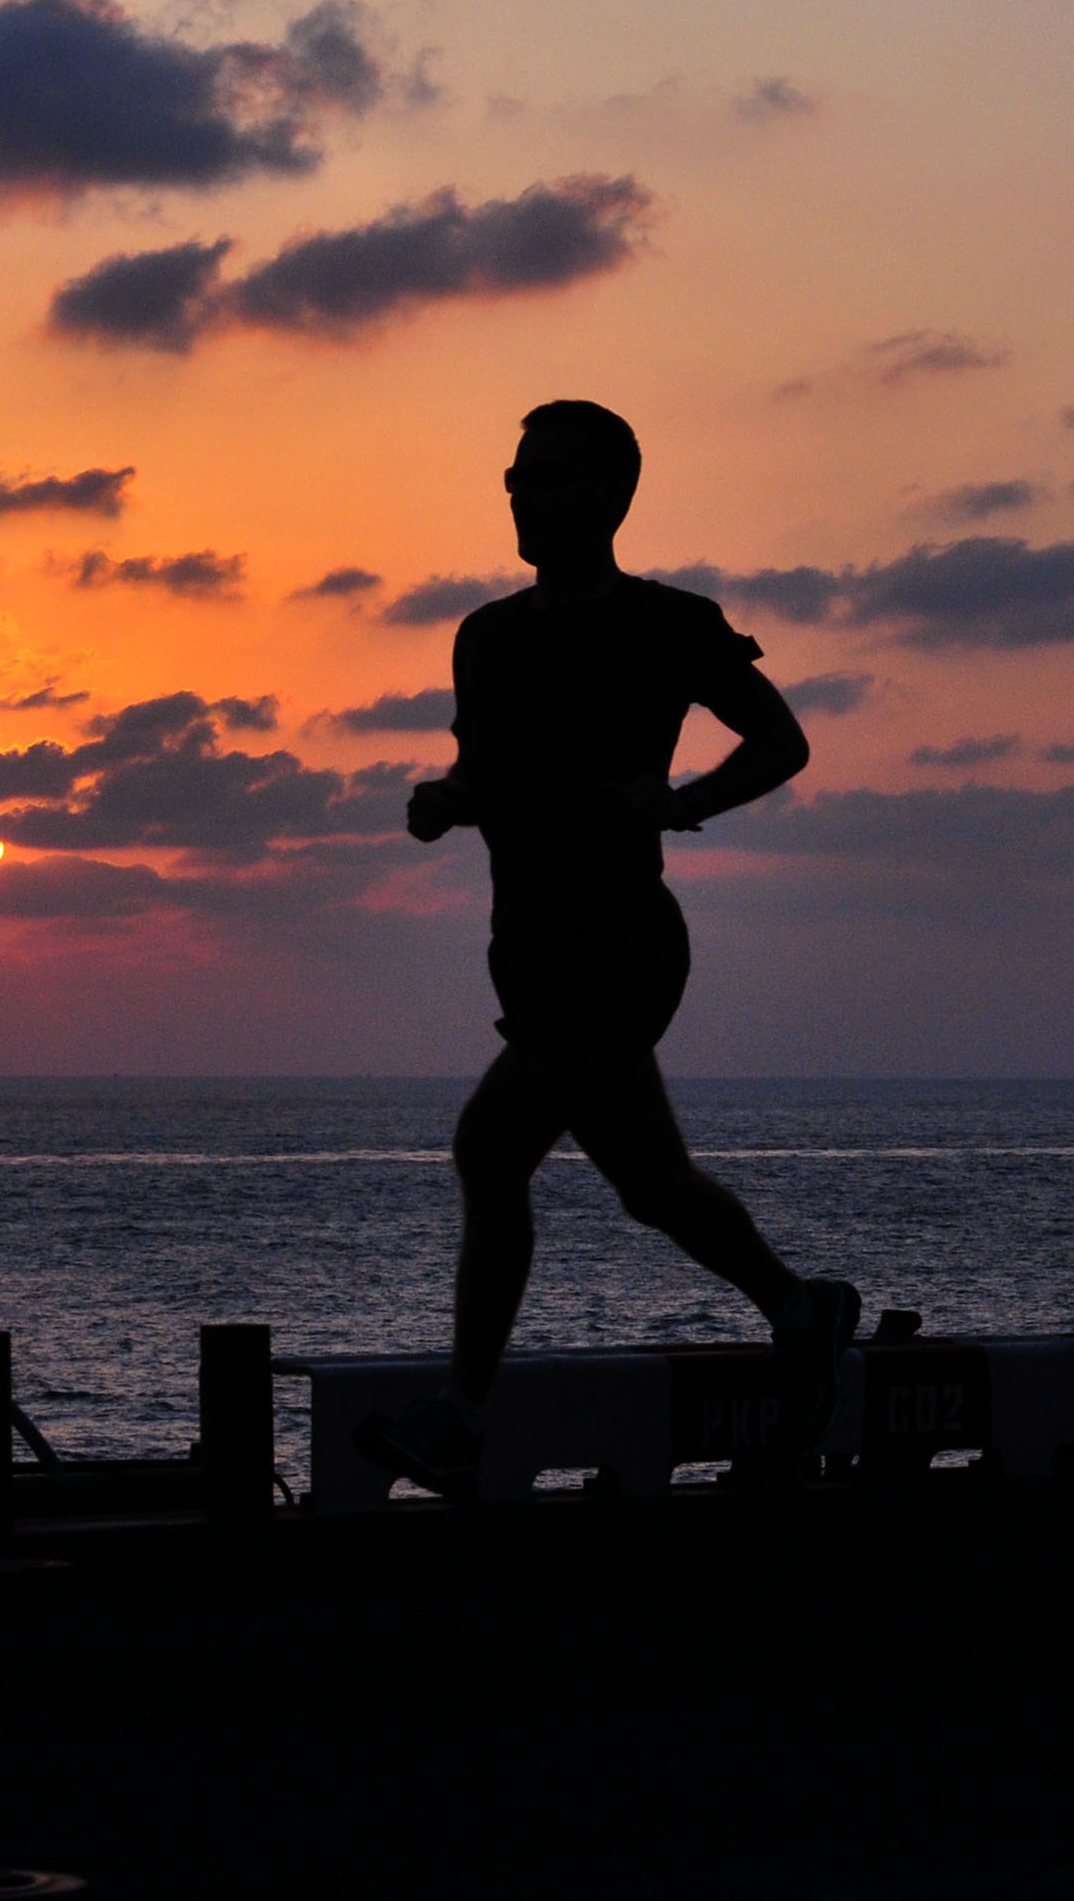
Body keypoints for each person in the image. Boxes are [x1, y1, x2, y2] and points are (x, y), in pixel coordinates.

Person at [355, 399, 858, 1500]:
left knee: (490, 1150)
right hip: (527, 949)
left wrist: (680, 803)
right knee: (652, 1183)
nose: (520, 494)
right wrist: (447, 801)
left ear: (609, 494)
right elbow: (491, 771)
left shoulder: (668, 625)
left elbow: (780, 742)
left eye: (545, 476)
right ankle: (799, 1309)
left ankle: (462, 1418)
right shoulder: (487, 636)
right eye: (514, 476)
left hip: (619, 945)